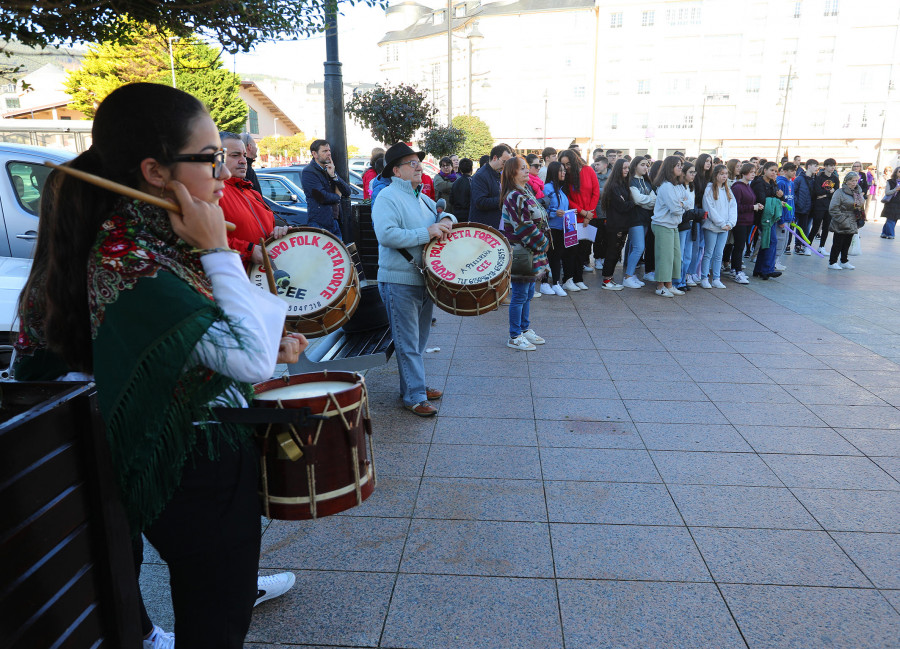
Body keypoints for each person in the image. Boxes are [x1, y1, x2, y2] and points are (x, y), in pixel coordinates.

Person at [14, 82, 304, 648]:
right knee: (217, 614)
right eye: (210, 158)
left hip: (164, 452)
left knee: (212, 596)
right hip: (188, 459)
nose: (223, 173)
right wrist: (219, 249)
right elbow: (247, 358)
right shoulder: (129, 252)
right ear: (154, 170)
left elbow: (232, 340)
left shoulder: (147, 235)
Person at [371, 143, 456, 416]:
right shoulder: (387, 197)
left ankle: (413, 385)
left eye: (418, 161)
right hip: (399, 280)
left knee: (418, 341)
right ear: (396, 171)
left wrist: (448, 220)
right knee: (408, 342)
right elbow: (386, 235)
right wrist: (427, 232)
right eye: (411, 163)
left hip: (422, 279)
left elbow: (441, 215)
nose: (418, 166)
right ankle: (415, 396)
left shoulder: (422, 196)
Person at [218, 132, 290, 266]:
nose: (243, 161)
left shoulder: (253, 193)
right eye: (235, 155)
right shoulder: (213, 193)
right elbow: (204, 240)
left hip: (263, 277)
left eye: (244, 155)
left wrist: (279, 233)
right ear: (218, 158)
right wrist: (248, 251)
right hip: (237, 279)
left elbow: (268, 231)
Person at [500, 156, 550, 350]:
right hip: (522, 251)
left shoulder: (525, 191)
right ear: (512, 173)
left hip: (531, 250)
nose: (527, 171)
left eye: (526, 168)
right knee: (520, 294)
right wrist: (543, 242)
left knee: (528, 293)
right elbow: (523, 227)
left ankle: (524, 329)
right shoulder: (514, 196)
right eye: (522, 168)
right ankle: (515, 335)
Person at [559, 148, 599, 281]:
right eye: (564, 165)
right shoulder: (565, 176)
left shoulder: (588, 170)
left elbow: (596, 192)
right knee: (572, 251)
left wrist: (589, 213)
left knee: (584, 251)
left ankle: (579, 278)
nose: (566, 167)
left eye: (568, 164)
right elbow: (567, 198)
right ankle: (569, 278)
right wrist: (583, 212)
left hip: (590, 216)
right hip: (573, 217)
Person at [301, 139, 354, 238]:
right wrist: (337, 196)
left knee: (339, 253)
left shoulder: (329, 169)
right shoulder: (309, 172)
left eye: (329, 150)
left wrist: (334, 176)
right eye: (324, 151)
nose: (329, 153)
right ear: (314, 154)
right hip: (320, 223)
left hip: (335, 222)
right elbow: (321, 196)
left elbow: (347, 191)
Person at [651, 156, 688, 297]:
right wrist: (682, 205)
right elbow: (675, 208)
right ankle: (660, 286)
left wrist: (682, 204)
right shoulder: (666, 186)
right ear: (669, 168)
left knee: (675, 256)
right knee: (665, 256)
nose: (680, 168)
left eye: (681, 165)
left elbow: (689, 202)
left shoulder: (678, 185)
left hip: (673, 225)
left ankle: (669, 285)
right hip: (662, 224)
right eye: (677, 165)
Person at [597, 159, 633, 290]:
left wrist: (629, 202)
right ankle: (606, 280)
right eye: (624, 168)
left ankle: (609, 278)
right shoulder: (613, 186)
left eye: (628, 168)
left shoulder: (623, 184)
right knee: (612, 252)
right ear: (618, 169)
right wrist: (631, 203)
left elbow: (627, 203)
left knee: (617, 252)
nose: (627, 170)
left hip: (623, 223)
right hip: (615, 224)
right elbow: (623, 206)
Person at [700, 164, 737, 289]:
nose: (724, 176)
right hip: (712, 226)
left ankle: (716, 278)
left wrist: (730, 223)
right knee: (708, 252)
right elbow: (710, 209)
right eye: (722, 174)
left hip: (725, 227)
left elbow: (733, 207)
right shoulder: (709, 189)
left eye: (726, 174)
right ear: (716, 175)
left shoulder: (727, 190)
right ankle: (704, 277)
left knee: (719, 253)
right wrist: (721, 223)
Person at [624, 156, 655, 289]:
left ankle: (631, 275)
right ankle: (628, 276)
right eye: (642, 164)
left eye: (647, 165)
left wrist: (646, 202)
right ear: (635, 165)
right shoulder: (631, 181)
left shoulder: (647, 182)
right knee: (638, 247)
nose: (645, 167)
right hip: (634, 219)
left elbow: (654, 200)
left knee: (636, 248)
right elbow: (636, 199)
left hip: (645, 218)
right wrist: (648, 201)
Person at [542, 160, 570, 296]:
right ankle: (544, 283)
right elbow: (541, 209)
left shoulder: (561, 190)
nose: (564, 172)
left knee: (557, 256)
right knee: (548, 256)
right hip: (550, 228)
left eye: (564, 170)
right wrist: (553, 213)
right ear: (554, 172)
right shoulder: (547, 188)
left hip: (561, 228)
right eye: (561, 170)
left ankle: (556, 283)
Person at [751, 161, 784, 280]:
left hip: (770, 217)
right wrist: (778, 201)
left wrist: (780, 197)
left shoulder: (773, 183)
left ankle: (760, 269)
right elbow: (762, 200)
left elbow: (777, 199)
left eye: (776, 171)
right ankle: (767, 269)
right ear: (764, 170)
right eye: (772, 170)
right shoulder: (758, 183)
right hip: (762, 217)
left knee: (767, 242)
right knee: (771, 241)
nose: (774, 173)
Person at [470, 143, 512, 229]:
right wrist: (504, 199)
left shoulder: (498, 174)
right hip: (484, 228)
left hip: (495, 226)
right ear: (495, 158)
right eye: (504, 162)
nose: (505, 167)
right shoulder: (480, 176)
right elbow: (480, 202)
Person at [730, 163, 760, 284]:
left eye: (754, 172)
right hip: (740, 221)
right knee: (739, 246)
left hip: (748, 220)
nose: (753, 174)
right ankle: (737, 271)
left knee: (741, 246)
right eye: (751, 172)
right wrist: (753, 207)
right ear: (744, 172)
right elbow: (735, 206)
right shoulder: (737, 187)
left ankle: (735, 268)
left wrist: (755, 206)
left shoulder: (748, 186)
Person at [827, 171, 863, 269]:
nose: (854, 183)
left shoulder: (858, 192)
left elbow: (860, 205)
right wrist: (843, 220)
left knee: (847, 243)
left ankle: (844, 260)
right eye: (852, 180)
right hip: (841, 221)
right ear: (846, 181)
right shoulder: (839, 192)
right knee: (838, 243)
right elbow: (833, 208)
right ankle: (832, 262)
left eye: (856, 180)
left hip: (853, 221)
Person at [809, 158, 840, 254]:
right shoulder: (819, 177)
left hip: (829, 206)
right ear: (825, 166)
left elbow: (836, 192)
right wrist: (828, 192)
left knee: (826, 227)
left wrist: (825, 195)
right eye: (831, 166)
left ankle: (822, 246)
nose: (832, 168)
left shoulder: (835, 178)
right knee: (815, 226)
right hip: (819, 206)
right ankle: (807, 246)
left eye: (834, 166)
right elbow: (817, 192)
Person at [775, 162, 797, 266]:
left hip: (789, 217)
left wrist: (793, 215)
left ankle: (777, 260)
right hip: (782, 218)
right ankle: (774, 261)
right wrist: (781, 219)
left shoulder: (791, 183)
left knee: (785, 240)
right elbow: (779, 203)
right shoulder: (780, 183)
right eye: (791, 170)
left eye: (794, 170)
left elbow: (791, 201)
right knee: (779, 239)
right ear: (785, 171)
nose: (794, 173)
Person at [793, 159, 815, 254]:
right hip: (797, 207)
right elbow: (793, 192)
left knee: (803, 228)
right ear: (809, 166)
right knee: (792, 227)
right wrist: (797, 202)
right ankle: (788, 246)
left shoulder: (814, 179)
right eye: (815, 166)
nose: (816, 168)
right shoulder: (799, 179)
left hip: (807, 208)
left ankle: (799, 245)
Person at [450, 157, 473, 222]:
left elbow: (451, 199)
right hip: (469, 214)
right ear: (471, 169)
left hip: (456, 214)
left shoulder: (456, 182)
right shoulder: (473, 182)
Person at [880, 167, 900, 238]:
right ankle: (890, 234)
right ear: (896, 173)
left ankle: (884, 233)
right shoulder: (890, 181)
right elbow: (887, 192)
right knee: (890, 218)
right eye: (899, 172)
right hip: (891, 203)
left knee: (893, 219)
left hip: (898, 204)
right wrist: (895, 189)